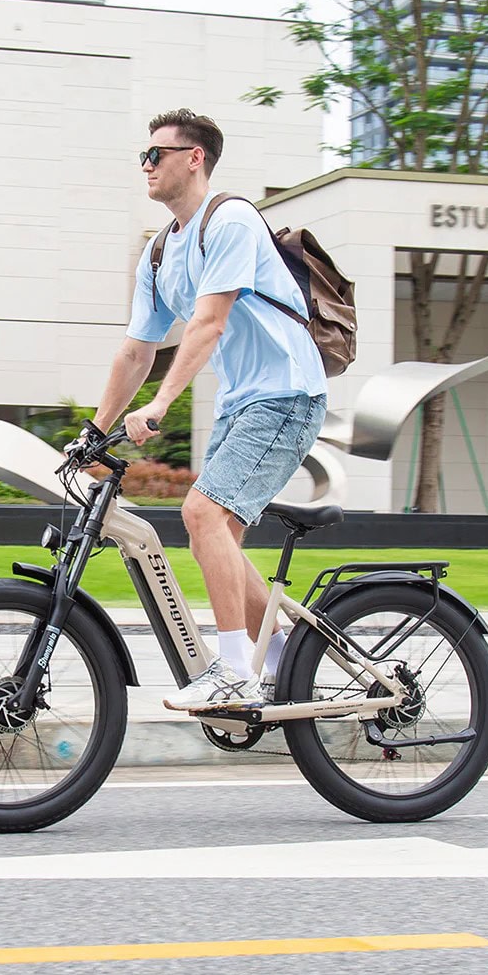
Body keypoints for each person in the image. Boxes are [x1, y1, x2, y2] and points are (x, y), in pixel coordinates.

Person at [92, 108, 327, 710]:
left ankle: (233, 671)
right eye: (143, 156)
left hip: (287, 394)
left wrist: (161, 404)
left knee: (200, 513)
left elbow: (209, 323)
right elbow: (136, 351)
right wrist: (93, 432)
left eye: (156, 154)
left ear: (194, 158)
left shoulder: (231, 220)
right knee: (211, 537)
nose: (146, 165)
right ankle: (284, 663)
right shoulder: (158, 254)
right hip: (239, 404)